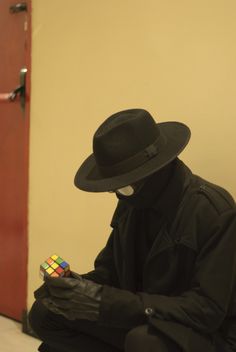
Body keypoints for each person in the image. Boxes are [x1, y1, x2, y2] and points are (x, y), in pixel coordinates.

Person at [29, 109, 236, 352]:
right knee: (45, 314)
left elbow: (206, 310)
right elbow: (109, 272)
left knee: (143, 341)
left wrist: (109, 304)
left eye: (124, 186)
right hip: (144, 318)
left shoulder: (213, 212)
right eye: (113, 188)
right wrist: (77, 289)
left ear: (156, 170)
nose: (118, 195)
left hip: (201, 334)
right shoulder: (132, 200)